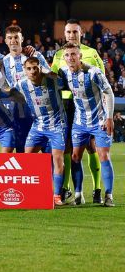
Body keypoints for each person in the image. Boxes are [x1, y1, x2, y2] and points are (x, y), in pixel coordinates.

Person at [51, 20, 107, 204]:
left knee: (92, 148)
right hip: (66, 106)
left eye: (75, 32)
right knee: (67, 148)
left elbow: (103, 82)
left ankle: (97, 188)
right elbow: (53, 80)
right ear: (64, 34)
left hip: (88, 107)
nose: (71, 35)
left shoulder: (91, 53)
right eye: (68, 32)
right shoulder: (59, 54)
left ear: (81, 33)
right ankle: (67, 188)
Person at [57, 42, 115, 207]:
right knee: (75, 157)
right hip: (79, 122)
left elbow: (108, 91)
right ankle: (78, 194)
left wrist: (109, 117)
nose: (70, 58)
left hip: (99, 121)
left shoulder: (93, 72)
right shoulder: (64, 73)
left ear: (80, 55)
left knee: (103, 155)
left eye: (74, 54)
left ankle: (108, 194)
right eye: (67, 55)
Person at [15, 57, 67, 206]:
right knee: (27, 158)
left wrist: (47, 70)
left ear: (40, 68)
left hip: (57, 125)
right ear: (25, 70)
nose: (32, 71)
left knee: (57, 159)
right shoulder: (22, 84)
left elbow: (63, 82)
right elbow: (10, 91)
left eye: (35, 68)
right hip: (38, 126)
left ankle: (56, 195)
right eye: (29, 69)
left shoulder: (52, 80)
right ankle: (31, 191)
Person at [0, 25, 50, 153]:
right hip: (20, 113)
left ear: (22, 38)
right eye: (10, 38)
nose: (13, 40)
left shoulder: (34, 55)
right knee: (23, 152)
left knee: (49, 152)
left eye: (16, 37)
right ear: (6, 41)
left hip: (41, 111)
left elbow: (50, 77)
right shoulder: (4, 61)